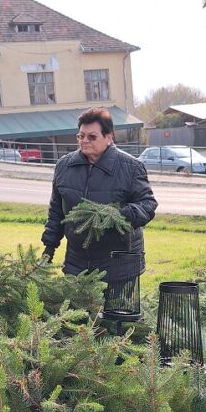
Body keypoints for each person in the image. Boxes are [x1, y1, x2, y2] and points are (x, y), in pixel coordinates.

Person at [41, 107, 157, 283]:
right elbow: (56, 211)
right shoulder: (64, 166)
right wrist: (49, 248)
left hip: (119, 264)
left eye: (92, 137)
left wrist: (117, 215)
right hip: (77, 264)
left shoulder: (131, 167)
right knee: (78, 310)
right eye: (81, 136)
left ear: (109, 137)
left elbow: (148, 205)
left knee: (114, 311)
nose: (84, 141)